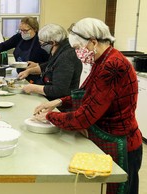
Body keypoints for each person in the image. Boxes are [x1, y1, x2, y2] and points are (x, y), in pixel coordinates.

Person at [34, 18, 143, 194]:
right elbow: (87, 93)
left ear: (93, 42)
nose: (77, 53)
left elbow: (83, 118)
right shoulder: (103, 60)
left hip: (122, 144)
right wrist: (59, 101)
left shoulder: (112, 66)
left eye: (78, 48)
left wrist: (49, 116)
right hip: (109, 137)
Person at [17, 23, 82, 101]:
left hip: (60, 103)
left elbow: (59, 90)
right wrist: (29, 71)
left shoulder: (66, 57)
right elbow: (50, 65)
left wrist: (33, 88)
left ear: (53, 42)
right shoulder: (60, 48)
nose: (41, 47)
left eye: (42, 44)